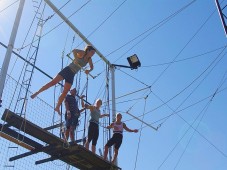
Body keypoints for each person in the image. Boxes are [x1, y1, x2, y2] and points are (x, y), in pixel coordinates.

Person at [31, 45, 96, 114]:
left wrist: (88, 70)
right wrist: (76, 58)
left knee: (65, 92)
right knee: (53, 82)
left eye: (94, 53)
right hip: (67, 70)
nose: (93, 54)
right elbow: (74, 50)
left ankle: (57, 106)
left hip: (72, 74)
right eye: (92, 52)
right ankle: (37, 92)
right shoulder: (82, 53)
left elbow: (92, 67)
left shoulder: (89, 59)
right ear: (88, 50)